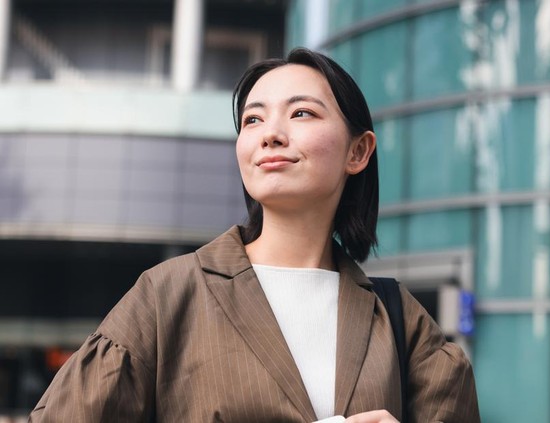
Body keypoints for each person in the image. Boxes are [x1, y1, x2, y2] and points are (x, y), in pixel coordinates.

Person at [29, 48, 480, 422]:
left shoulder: (401, 320)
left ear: (358, 151)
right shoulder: (167, 295)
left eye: (301, 113)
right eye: (252, 121)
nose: (271, 136)